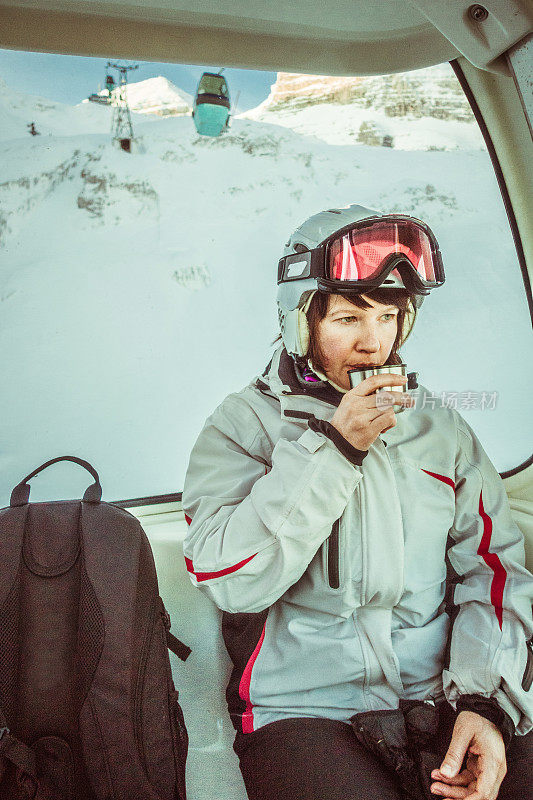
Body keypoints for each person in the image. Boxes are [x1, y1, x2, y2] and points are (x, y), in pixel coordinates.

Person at [182, 204, 533, 800]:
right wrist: (334, 451)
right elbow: (228, 577)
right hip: (301, 712)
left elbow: (494, 575)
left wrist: (484, 703)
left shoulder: (441, 431)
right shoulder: (243, 427)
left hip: (439, 697)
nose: (374, 343)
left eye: (390, 317)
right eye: (347, 317)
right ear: (302, 321)